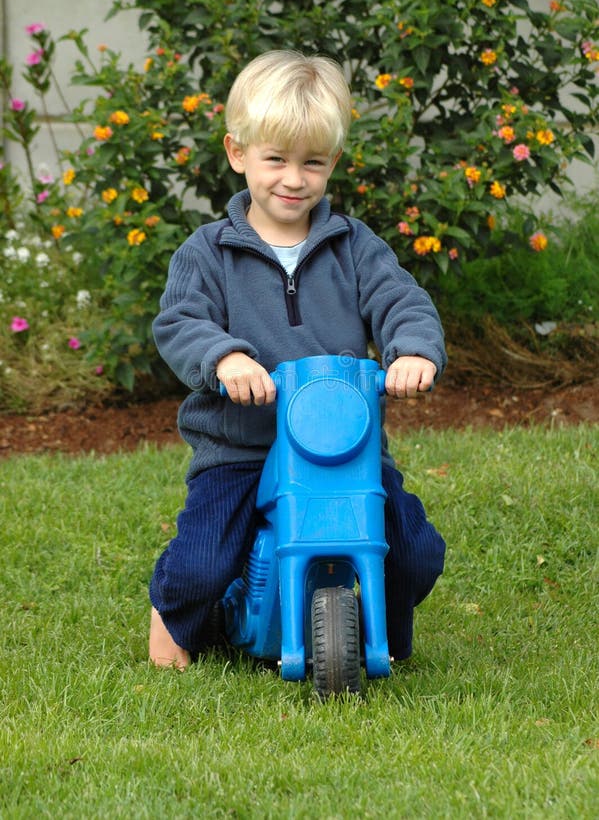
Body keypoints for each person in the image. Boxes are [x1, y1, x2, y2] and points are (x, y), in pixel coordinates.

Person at [149, 50, 447, 669]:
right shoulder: (209, 252)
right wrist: (224, 357)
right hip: (242, 446)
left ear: (332, 163)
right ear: (237, 154)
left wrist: (413, 349)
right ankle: (177, 617)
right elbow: (179, 322)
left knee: (414, 551)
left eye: (312, 163)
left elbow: (401, 300)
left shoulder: (354, 247)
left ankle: (382, 635)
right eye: (275, 159)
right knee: (203, 563)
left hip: (342, 447)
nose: (294, 178)